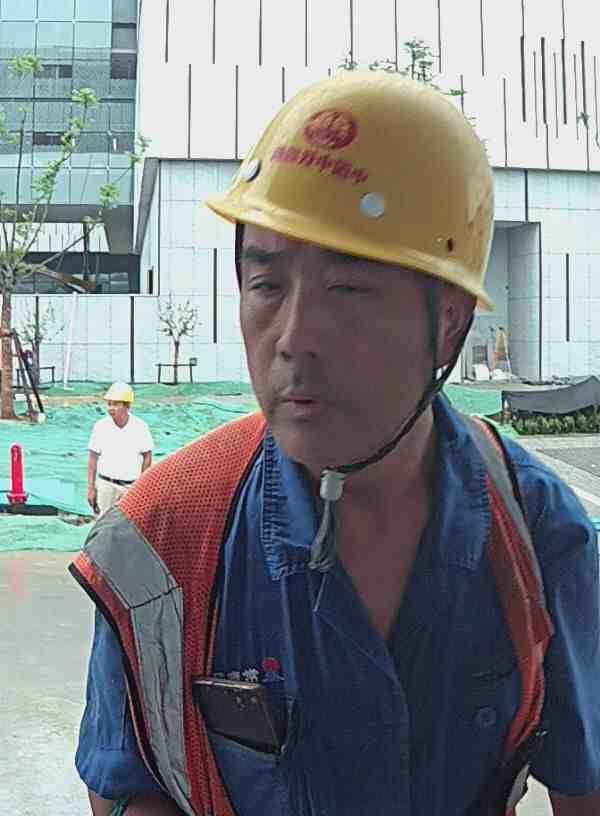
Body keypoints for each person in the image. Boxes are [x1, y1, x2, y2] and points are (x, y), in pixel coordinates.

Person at [72, 74, 600, 816]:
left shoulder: (538, 535)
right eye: (266, 284)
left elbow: (585, 784)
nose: (293, 339)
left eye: (348, 289)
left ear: (449, 320)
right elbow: (126, 790)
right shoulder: (159, 540)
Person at [87, 382, 154, 516]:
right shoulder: (101, 427)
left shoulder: (140, 427)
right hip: (106, 484)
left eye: (116, 404)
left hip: (130, 487)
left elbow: (147, 456)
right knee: (104, 522)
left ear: (127, 406)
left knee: (129, 522)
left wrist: (140, 486)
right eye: (109, 404)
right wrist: (91, 488)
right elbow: (92, 458)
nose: (111, 408)